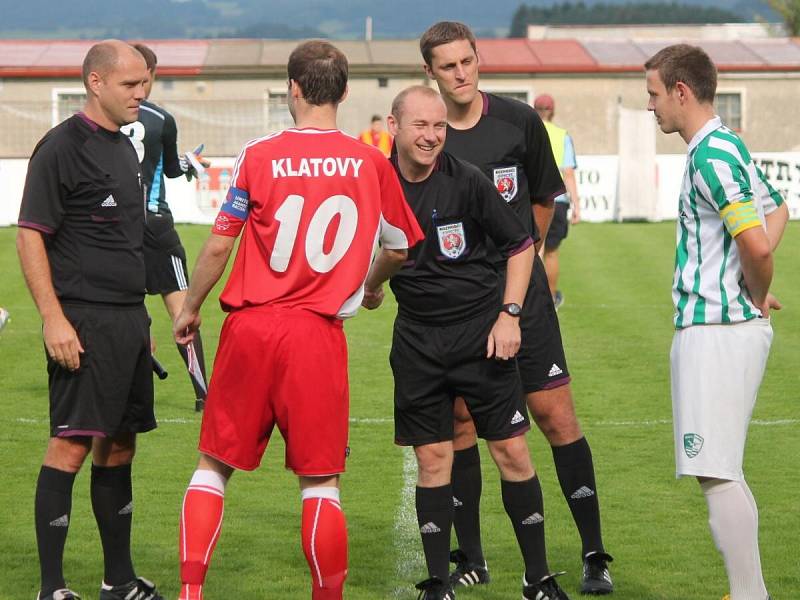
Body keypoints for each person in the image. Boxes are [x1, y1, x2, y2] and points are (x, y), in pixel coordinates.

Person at [172, 40, 423, 600]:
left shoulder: (260, 154)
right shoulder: (371, 162)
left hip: (251, 328)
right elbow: (402, 247)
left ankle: (190, 592)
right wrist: (371, 285)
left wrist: (189, 307)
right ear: (346, 91)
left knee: (212, 466)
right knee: (320, 483)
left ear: (292, 88)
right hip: (317, 334)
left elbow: (219, 246)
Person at [419, 21, 614, 595]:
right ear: (429, 71)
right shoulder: (429, 135)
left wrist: (517, 274)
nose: (461, 73)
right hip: (461, 312)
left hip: (522, 305)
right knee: (459, 425)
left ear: (478, 59)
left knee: (556, 418)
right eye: (448, 65)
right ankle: (472, 558)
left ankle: (594, 554)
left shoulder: (518, 122)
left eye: (467, 61)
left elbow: (543, 201)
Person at [370, 84, 574, 600]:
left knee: (511, 450)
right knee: (434, 459)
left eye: (439, 127)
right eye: (421, 126)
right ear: (394, 128)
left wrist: (509, 315)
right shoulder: (373, 183)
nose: (433, 137)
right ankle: (439, 583)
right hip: (416, 341)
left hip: (480, 336)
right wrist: (368, 286)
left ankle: (537, 577)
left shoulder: (469, 181)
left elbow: (521, 243)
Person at [16, 40, 163, 600]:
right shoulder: (60, 148)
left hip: (127, 321)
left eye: (144, 84)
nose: (141, 94)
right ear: (96, 83)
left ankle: (117, 580)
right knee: (71, 445)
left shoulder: (127, 149)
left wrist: (142, 319)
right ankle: (51, 588)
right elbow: (31, 236)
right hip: (82, 320)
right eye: (130, 85)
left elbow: (129, 244)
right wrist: (54, 319)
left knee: (120, 444)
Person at [645, 43, 787, 600]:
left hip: (717, 333)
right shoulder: (725, 146)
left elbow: (757, 245)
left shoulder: (711, 156)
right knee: (719, 468)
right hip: (719, 328)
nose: (651, 106)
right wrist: (749, 286)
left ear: (681, 91)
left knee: (717, 469)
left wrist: (753, 290)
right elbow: (777, 207)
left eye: (654, 95)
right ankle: (747, 592)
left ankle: (749, 594)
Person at [122, 43, 210, 412]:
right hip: (156, 226)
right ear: (152, 75)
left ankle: (126, 391)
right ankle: (204, 394)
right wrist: (190, 162)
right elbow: (172, 170)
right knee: (182, 311)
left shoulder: (105, 117)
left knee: (124, 311)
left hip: (118, 226)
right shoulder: (161, 119)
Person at [534, 93, 580, 310]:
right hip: (557, 199)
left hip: (532, 198)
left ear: (534, 109)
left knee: (533, 251)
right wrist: (577, 205)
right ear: (552, 111)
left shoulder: (528, 132)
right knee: (551, 251)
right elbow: (568, 173)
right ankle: (550, 298)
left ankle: (532, 296)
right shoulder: (562, 135)